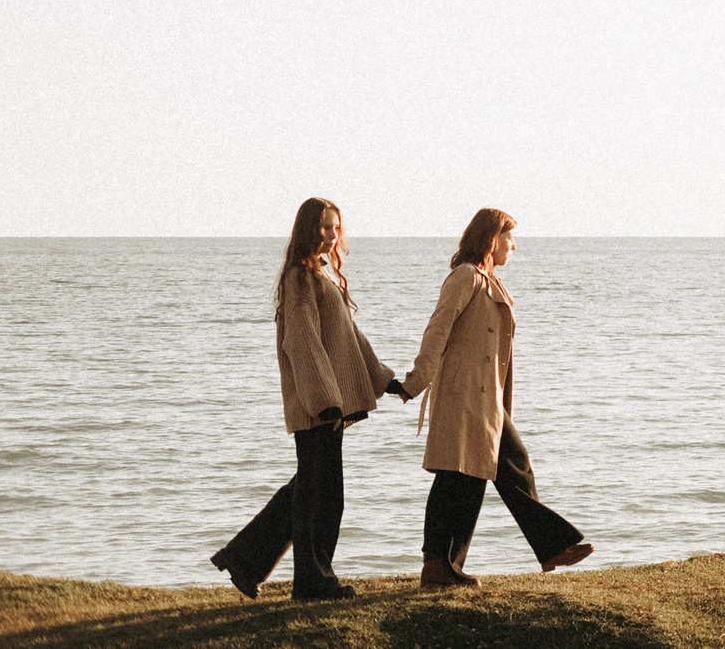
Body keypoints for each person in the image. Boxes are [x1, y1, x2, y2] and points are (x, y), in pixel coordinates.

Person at [210, 197, 406, 601]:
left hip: (326, 404)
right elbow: (303, 344)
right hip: (317, 406)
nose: (331, 236)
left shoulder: (319, 276)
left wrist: (384, 380)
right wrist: (325, 402)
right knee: (323, 495)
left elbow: (349, 339)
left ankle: (246, 560)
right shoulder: (300, 278)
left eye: (335, 228)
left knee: (309, 489)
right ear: (307, 230)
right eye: (323, 228)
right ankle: (313, 581)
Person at [406, 207, 592, 587]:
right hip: (464, 395)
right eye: (509, 237)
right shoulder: (465, 277)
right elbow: (437, 330)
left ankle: (444, 568)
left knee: (474, 477)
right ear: (492, 238)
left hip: (486, 399)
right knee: (464, 476)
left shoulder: (490, 281)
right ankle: (443, 565)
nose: (514, 245)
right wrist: (415, 381)